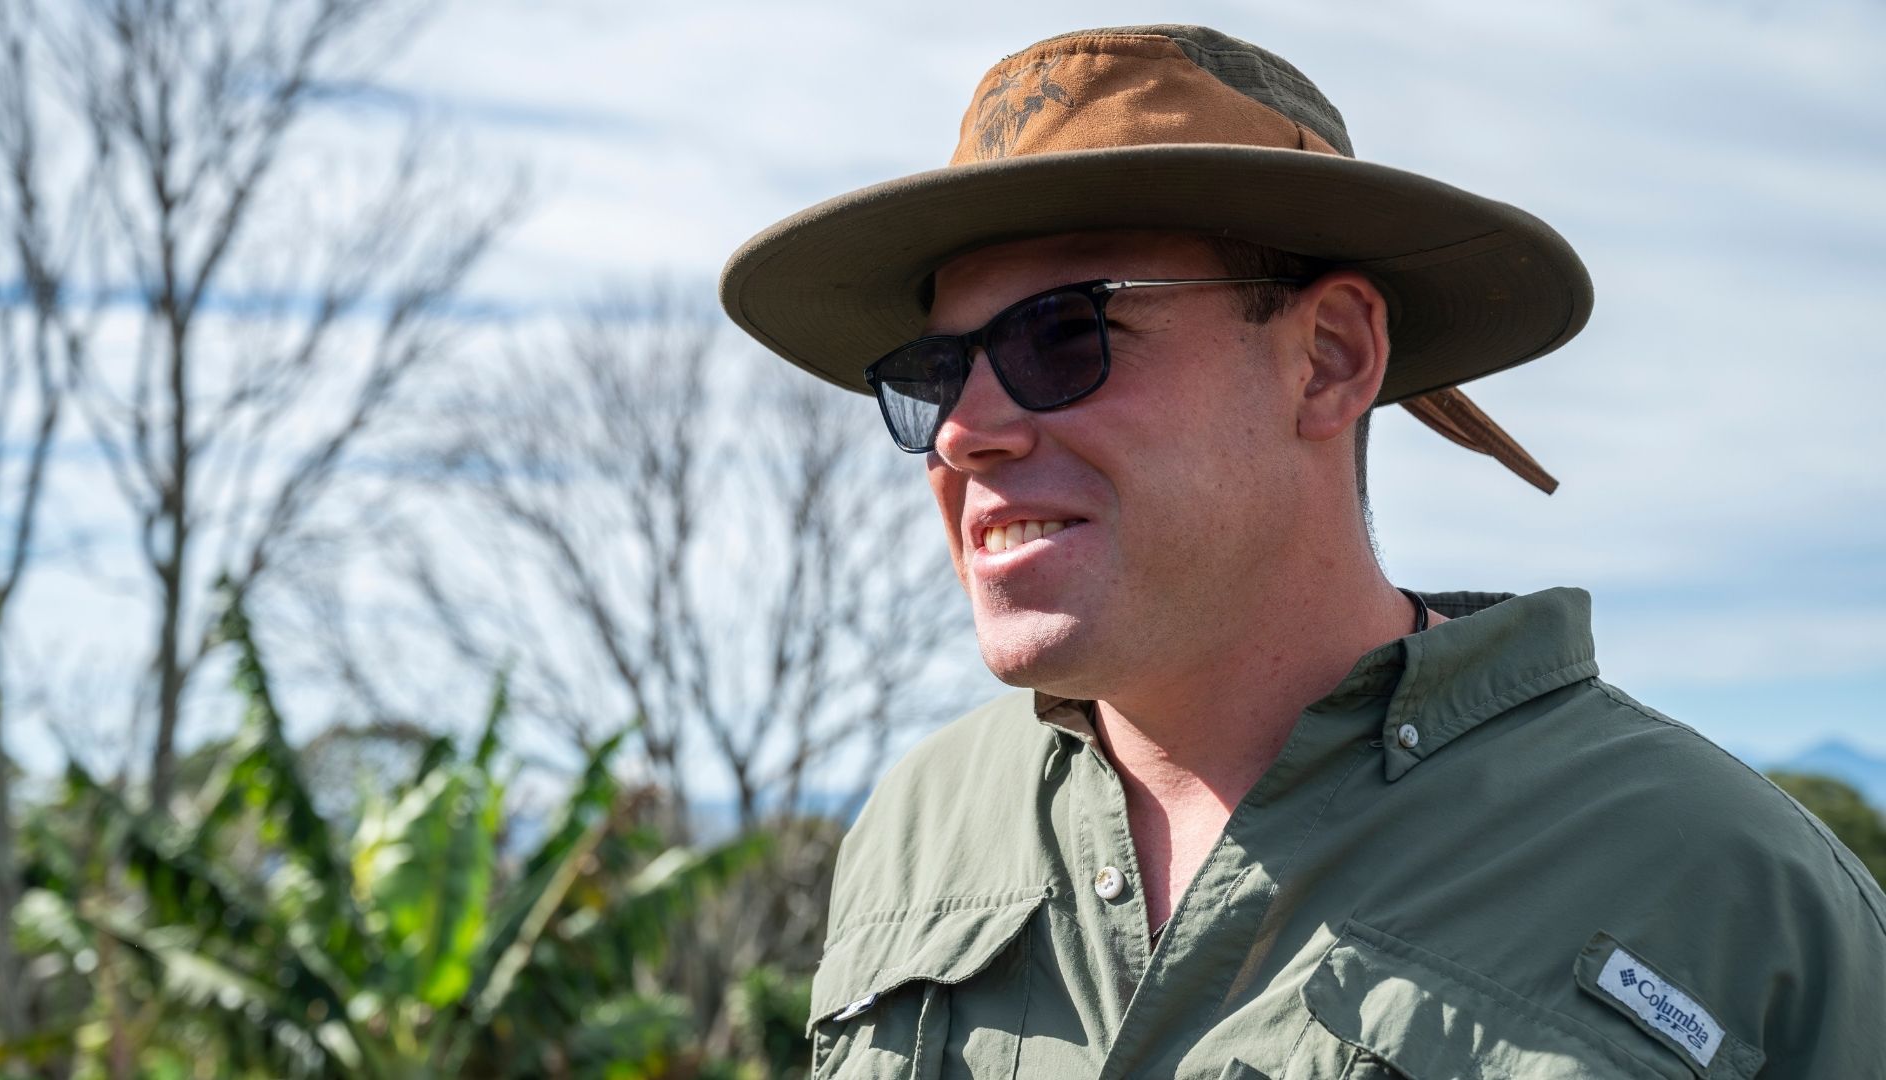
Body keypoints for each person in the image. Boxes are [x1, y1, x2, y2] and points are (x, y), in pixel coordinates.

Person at [720, 24, 1886, 1079]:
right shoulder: (921, 827)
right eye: (932, 376)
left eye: (1063, 334)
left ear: (1327, 358)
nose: (964, 432)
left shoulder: (1737, 895)